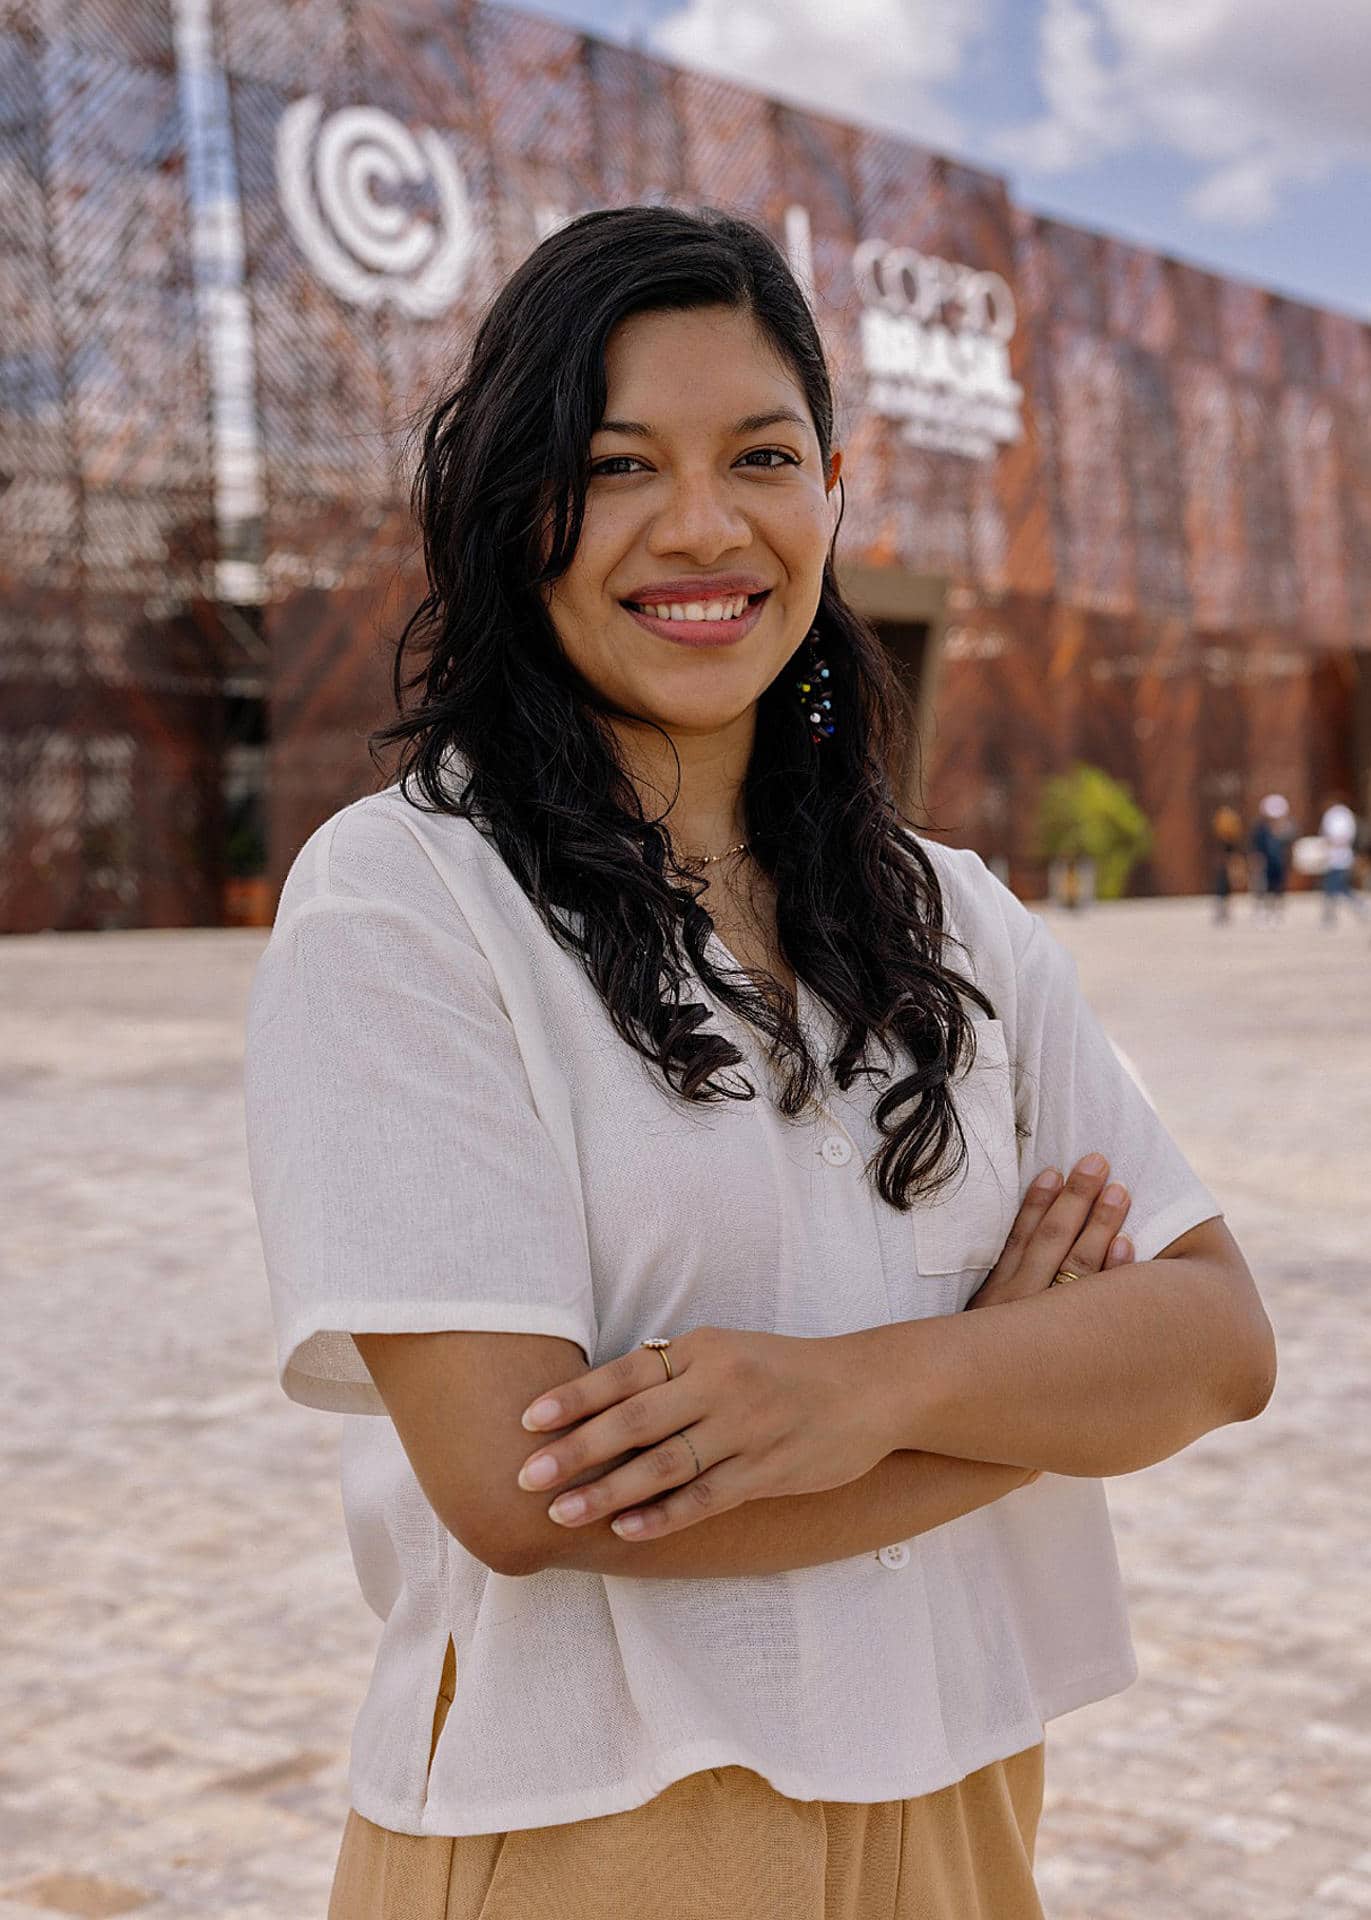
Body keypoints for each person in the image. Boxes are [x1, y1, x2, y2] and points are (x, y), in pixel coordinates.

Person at [241, 206, 1276, 1920]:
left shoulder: (955, 919)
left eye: (760, 456)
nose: (702, 526)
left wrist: (877, 1389)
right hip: (593, 1828)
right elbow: (525, 1486)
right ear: (516, 513)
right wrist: (1033, 1383)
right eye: (619, 464)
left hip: (961, 1816)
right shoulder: (408, 901)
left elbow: (1219, 1340)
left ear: (833, 491)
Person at [1317, 791, 1365, 926]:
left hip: (1340, 859)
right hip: (1335, 858)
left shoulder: (1339, 815)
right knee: (1339, 888)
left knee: (1334, 888)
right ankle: (1332, 915)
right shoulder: (1340, 814)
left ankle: (1330, 917)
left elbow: (1340, 836)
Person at [1249, 794, 1295, 921]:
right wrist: (1256, 861)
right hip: (1265, 863)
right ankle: (1262, 911)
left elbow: (1289, 845)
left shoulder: (1287, 827)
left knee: (1278, 887)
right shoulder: (1260, 829)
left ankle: (1277, 911)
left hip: (1279, 863)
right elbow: (1255, 846)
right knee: (1262, 887)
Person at [1210, 803, 1245, 925]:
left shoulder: (1229, 838)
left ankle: (1224, 912)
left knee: (1225, 888)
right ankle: (1222, 912)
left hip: (1227, 865)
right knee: (1222, 888)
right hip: (1225, 865)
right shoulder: (1223, 837)